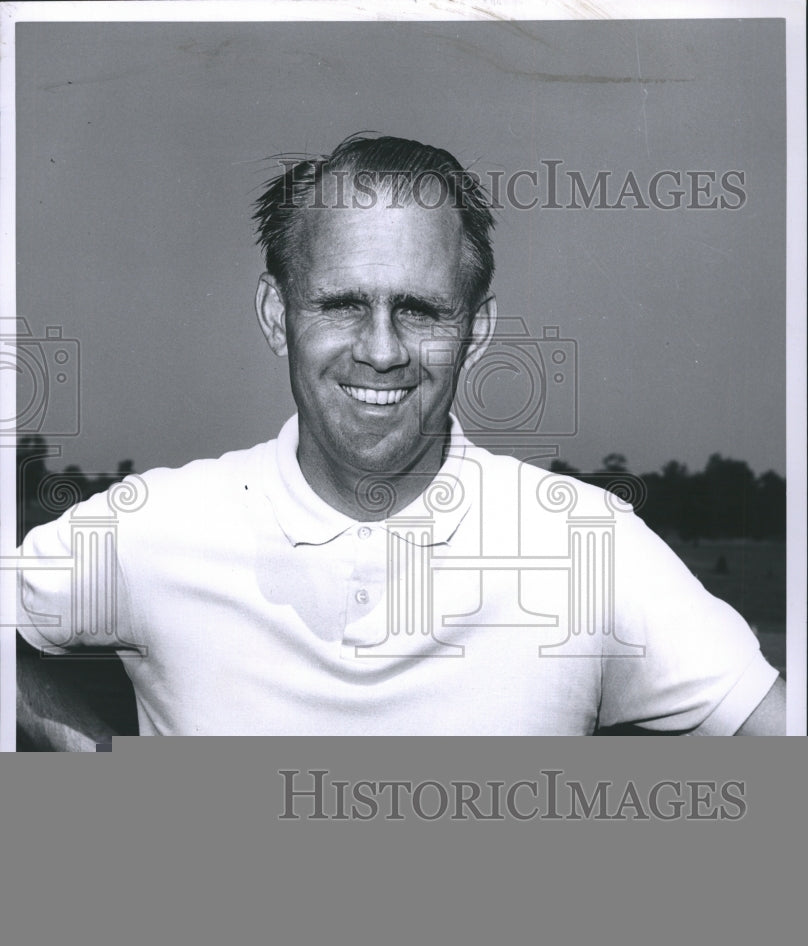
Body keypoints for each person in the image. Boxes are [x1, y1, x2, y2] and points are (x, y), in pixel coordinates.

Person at [15, 135, 785, 747]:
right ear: (276, 315)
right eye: (342, 304)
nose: (381, 350)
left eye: (420, 309)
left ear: (476, 331)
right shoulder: (156, 527)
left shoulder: (587, 546)